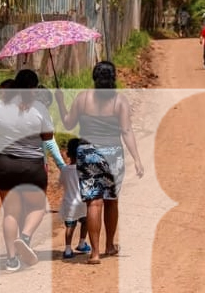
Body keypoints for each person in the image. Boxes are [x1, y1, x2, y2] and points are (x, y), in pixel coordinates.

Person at [55, 60, 144, 258]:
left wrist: (60, 102)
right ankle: (109, 246)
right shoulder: (119, 101)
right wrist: (136, 158)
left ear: (94, 78)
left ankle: (94, 253)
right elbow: (127, 131)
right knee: (111, 201)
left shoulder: (82, 99)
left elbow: (68, 124)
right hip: (112, 153)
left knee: (93, 203)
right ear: (114, 79)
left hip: (87, 153)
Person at [0, 68, 55, 271]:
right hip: (30, 165)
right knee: (38, 207)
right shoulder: (40, 109)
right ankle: (24, 237)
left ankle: (11, 260)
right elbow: (48, 137)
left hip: (4, 164)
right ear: (33, 88)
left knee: (10, 212)